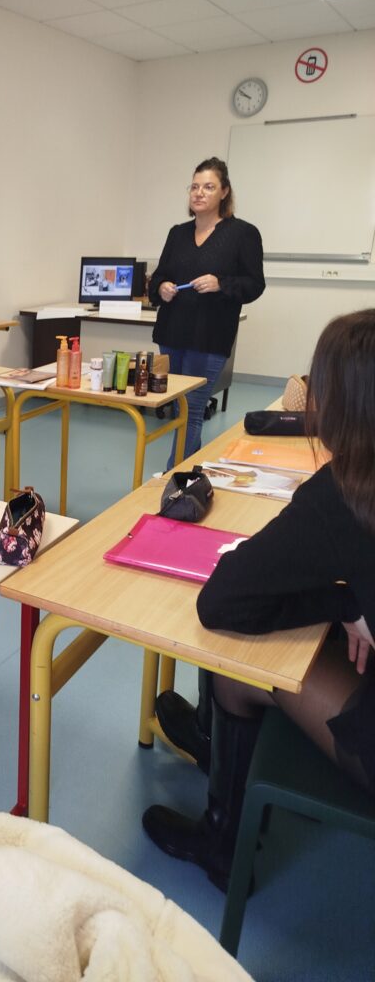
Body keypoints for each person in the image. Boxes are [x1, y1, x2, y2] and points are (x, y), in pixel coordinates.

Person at [142, 309, 375, 891]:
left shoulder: (346, 492)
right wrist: (348, 601)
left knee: (236, 667)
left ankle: (223, 844)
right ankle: (211, 740)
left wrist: (339, 603)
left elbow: (221, 603)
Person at [149, 156, 265, 467]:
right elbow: (158, 277)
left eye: (209, 187)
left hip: (209, 335)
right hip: (172, 332)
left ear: (224, 192)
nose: (199, 193)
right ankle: (190, 476)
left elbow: (255, 285)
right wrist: (161, 288)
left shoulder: (243, 233)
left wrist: (220, 283)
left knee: (193, 408)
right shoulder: (177, 233)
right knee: (179, 408)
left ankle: (176, 477)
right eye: (195, 186)